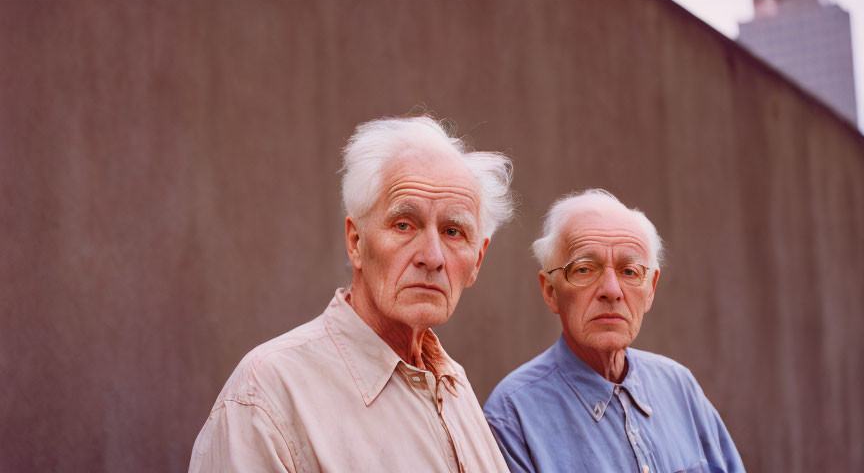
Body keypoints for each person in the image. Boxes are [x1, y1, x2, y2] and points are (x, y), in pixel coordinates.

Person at [189, 115, 515, 472]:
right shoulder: (266, 394)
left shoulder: (454, 386)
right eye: (404, 225)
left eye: (453, 232)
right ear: (356, 242)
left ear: (478, 260)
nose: (432, 257)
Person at [484, 189, 745, 473]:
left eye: (630, 271)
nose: (611, 290)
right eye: (584, 269)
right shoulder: (512, 414)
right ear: (551, 291)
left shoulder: (679, 386)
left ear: (650, 290)